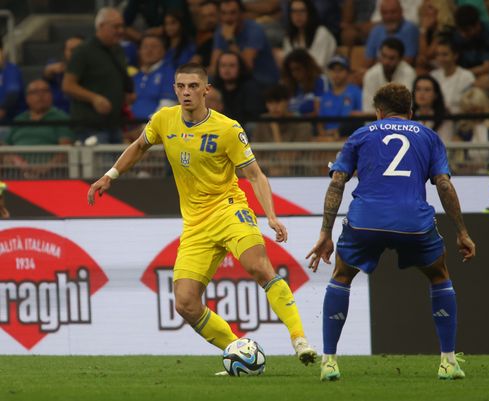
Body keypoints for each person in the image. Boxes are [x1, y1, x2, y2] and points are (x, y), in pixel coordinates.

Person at [87, 63, 316, 369]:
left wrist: (271, 216)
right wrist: (110, 175)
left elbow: (255, 175)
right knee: (185, 303)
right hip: (195, 224)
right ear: (174, 89)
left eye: (193, 86)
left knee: (258, 266)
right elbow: (140, 145)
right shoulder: (164, 119)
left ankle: (300, 340)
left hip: (229, 209)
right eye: (181, 86)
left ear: (206, 90)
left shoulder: (228, 129)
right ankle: (240, 350)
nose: (186, 92)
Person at [306, 82, 476, 382]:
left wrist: (325, 232)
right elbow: (444, 185)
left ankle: (329, 361)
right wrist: (462, 231)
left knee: (342, 275)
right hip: (414, 223)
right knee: (439, 275)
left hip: (365, 222)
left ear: (378, 112)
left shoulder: (360, 135)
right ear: (411, 112)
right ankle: (448, 362)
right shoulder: (429, 136)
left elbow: (337, 182)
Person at [62, 7, 134, 144]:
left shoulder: (118, 50)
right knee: (101, 164)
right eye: (116, 26)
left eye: (122, 26)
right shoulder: (83, 51)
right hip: (91, 124)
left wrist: (126, 94)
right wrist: (94, 98)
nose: (121, 31)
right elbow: (67, 85)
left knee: (117, 165)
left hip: (114, 123)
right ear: (101, 26)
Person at [209, 0, 279, 88]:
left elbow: (246, 67)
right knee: (207, 81)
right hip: (235, 77)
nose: (228, 18)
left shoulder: (254, 30)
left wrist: (230, 40)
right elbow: (214, 67)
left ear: (242, 14)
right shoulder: (220, 31)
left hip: (262, 78)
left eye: (233, 13)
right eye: (224, 13)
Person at [362, 37, 416, 114]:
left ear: (400, 59)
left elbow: (408, 105)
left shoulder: (409, 73)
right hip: (376, 121)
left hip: (402, 121)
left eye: (391, 58)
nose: (386, 61)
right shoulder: (371, 74)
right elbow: (368, 108)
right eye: (384, 56)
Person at [132, 35, 177, 120]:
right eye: (145, 47)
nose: (149, 50)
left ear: (163, 51)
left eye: (154, 47)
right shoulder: (135, 77)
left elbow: (167, 107)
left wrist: (145, 128)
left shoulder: (169, 74)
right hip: (128, 126)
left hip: (153, 129)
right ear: (139, 51)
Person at [364, 0, 420, 69]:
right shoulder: (376, 31)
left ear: (401, 12)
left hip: (401, 73)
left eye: (393, 12)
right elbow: (368, 62)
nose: (389, 16)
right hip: (379, 73)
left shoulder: (409, 29)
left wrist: (383, 63)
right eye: (385, 13)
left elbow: (408, 61)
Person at [318, 55, 363, 140]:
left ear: (348, 72)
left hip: (348, 138)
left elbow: (359, 118)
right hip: (327, 139)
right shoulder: (325, 96)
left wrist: (339, 132)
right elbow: (320, 122)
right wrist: (324, 136)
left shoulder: (356, 91)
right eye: (333, 70)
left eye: (340, 70)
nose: (336, 74)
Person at [282, 0, 337, 70]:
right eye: (294, 11)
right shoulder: (288, 37)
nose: (298, 15)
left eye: (302, 11)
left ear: (310, 13)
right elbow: (288, 66)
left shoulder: (322, 33)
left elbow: (318, 66)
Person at [43, 35, 84, 113]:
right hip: (58, 112)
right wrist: (47, 71)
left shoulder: (93, 68)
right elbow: (46, 77)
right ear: (65, 52)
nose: (75, 53)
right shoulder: (55, 65)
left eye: (79, 50)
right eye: (71, 50)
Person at [412, 75, 453, 143]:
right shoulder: (407, 117)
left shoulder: (445, 117)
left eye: (427, 90)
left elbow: (445, 145)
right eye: (418, 89)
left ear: (435, 95)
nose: (422, 93)